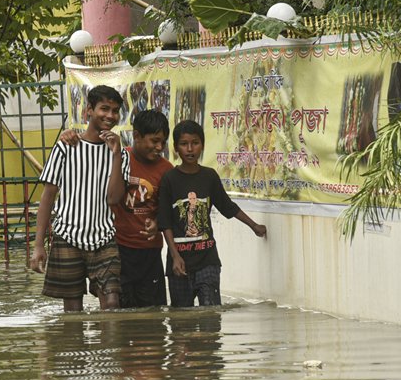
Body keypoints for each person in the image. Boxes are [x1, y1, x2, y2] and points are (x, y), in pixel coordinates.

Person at [57, 108, 173, 307]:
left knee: (153, 316)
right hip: (118, 248)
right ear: (136, 136)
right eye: (154, 141)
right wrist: (66, 135)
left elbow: (167, 210)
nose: (159, 147)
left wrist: (157, 223)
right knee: (118, 308)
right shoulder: (118, 157)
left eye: (163, 142)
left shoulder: (166, 170)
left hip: (150, 252)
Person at [29, 85, 130, 312]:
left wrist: (115, 154)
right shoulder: (65, 147)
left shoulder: (120, 153)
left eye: (115, 111)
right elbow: (47, 197)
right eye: (104, 109)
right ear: (89, 112)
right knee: (73, 311)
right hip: (67, 236)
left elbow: (114, 199)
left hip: (104, 238)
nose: (110, 116)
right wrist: (38, 246)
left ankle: (110, 348)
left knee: (112, 303)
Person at [158, 120, 266, 307]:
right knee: (181, 324)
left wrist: (254, 226)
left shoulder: (209, 176)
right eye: (184, 144)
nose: (190, 149)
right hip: (180, 261)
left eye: (195, 143)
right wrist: (175, 256)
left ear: (203, 145)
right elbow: (165, 222)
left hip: (208, 260)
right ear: (176, 148)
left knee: (211, 315)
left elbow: (227, 206)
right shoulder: (169, 179)